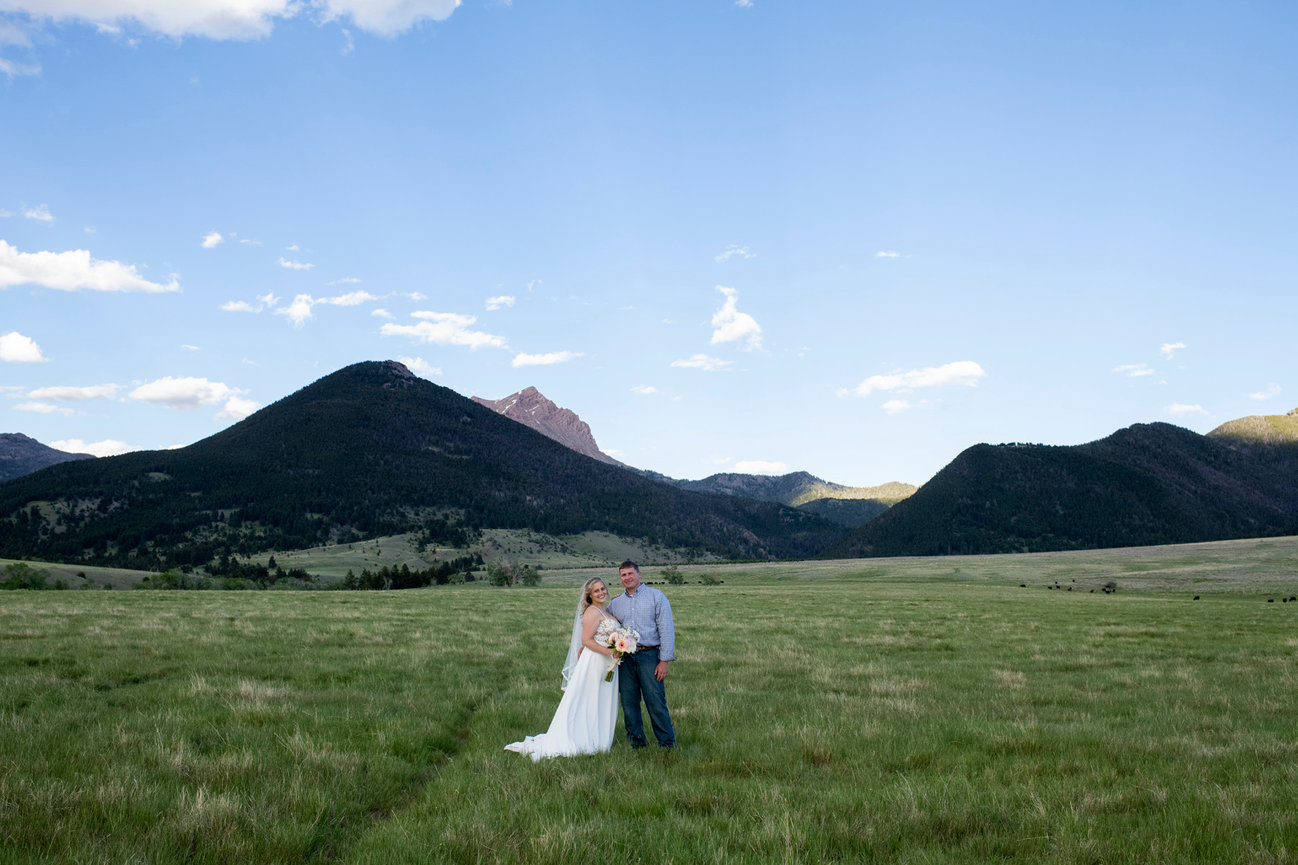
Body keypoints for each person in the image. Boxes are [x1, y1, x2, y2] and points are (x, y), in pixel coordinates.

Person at [505, 577, 623, 761]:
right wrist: (610, 652)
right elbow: (586, 640)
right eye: (596, 591)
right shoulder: (592, 612)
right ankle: (584, 738)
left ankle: (600, 739)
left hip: (607, 663)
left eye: (602, 589)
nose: (601, 593)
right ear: (590, 596)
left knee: (602, 699)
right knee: (590, 699)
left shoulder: (605, 611)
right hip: (594, 662)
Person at [607, 560, 676, 749]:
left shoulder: (656, 597)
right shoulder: (616, 603)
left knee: (655, 700)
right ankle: (636, 743)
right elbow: (605, 625)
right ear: (620, 578)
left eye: (630, 574)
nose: (627, 578)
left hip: (650, 656)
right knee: (629, 702)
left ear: (639, 575)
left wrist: (664, 660)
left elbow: (666, 630)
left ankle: (667, 743)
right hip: (625, 659)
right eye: (623, 575)